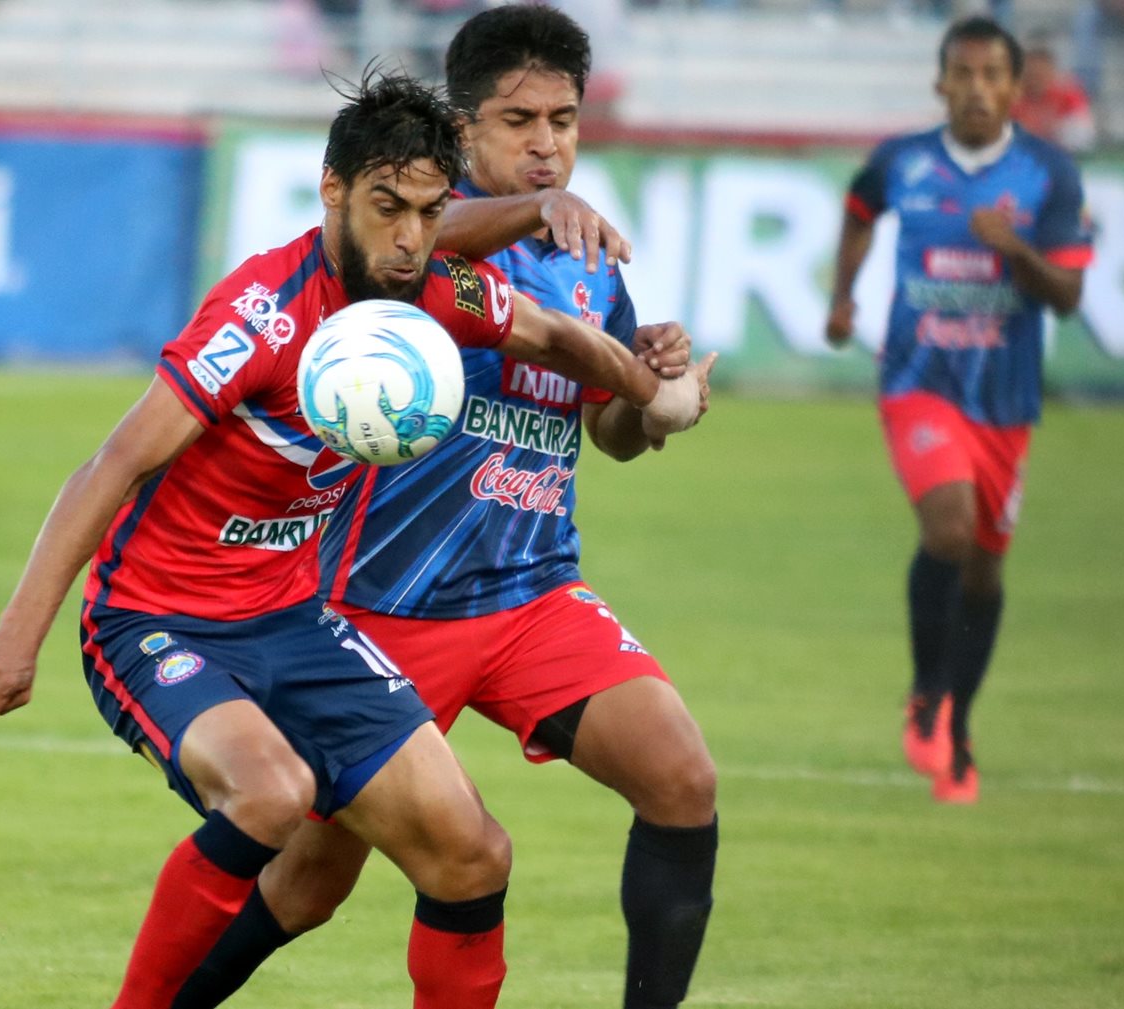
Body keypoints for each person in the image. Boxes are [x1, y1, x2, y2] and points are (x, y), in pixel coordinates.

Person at [0, 69, 705, 1009]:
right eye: (386, 206)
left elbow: (558, 338)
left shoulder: (434, 296)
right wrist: (18, 632)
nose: (406, 239)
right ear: (333, 190)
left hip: (299, 623)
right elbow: (112, 463)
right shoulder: (260, 314)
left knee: (471, 855)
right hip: (162, 622)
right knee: (270, 795)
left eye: (430, 214)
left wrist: (654, 390)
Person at [180, 7, 722, 1009]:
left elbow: (607, 430)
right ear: (463, 128)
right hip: (380, 606)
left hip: (531, 593)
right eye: (519, 119)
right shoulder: (414, 233)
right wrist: (529, 213)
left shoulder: (588, 263)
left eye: (564, 118)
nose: (547, 141)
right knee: (308, 881)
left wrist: (653, 393)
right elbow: (400, 244)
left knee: (682, 781)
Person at [825, 16, 1093, 803]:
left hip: (1004, 401)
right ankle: (926, 695)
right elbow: (859, 210)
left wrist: (1015, 252)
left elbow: (1070, 296)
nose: (977, 88)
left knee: (983, 568)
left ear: (1017, 87)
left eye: (992, 75)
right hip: (918, 379)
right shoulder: (903, 160)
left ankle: (960, 724)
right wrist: (843, 295)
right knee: (947, 525)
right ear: (940, 83)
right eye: (963, 73)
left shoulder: (1049, 176)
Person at [1010, 32, 1097, 153]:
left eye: (1042, 60)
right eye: (1031, 60)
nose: (1035, 67)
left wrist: (1055, 130)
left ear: (1051, 66)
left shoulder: (1068, 92)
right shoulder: (1011, 95)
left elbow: (1083, 136)